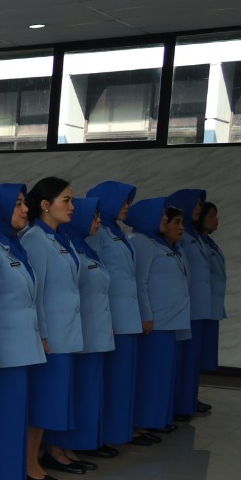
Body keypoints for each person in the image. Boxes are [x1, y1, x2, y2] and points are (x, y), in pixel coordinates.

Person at [0, 183, 49, 480]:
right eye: (18, 204)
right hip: (3, 353)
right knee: (1, 423)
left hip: (21, 349)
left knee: (13, 421)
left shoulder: (12, 244)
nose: (25, 209)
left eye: (24, 203)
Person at [19, 177, 86, 480]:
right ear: (46, 205)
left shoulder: (59, 238)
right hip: (50, 337)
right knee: (41, 403)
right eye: (66, 200)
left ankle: (36, 459)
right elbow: (35, 293)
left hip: (65, 333)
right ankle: (28, 464)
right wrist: (42, 334)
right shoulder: (35, 239)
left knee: (50, 402)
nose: (72, 206)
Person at [84, 181, 150, 448]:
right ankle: (108, 434)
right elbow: (96, 276)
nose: (127, 207)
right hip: (112, 316)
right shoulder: (97, 232)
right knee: (112, 381)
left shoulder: (116, 231)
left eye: (128, 202)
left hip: (127, 316)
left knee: (124, 381)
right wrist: (107, 317)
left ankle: (121, 430)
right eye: (122, 201)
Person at [56, 197, 117, 464]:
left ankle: (80, 443)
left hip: (91, 329)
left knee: (88, 391)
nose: (98, 222)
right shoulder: (68, 246)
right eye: (93, 216)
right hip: (77, 330)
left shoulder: (84, 247)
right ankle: (61, 446)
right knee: (75, 393)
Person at [127, 198, 190, 435]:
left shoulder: (161, 245)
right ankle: (142, 421)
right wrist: (146, 315)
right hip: (155, 321)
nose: (165, 220)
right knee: (150, 375)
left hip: (168, 321)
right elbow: (140, 282)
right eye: (164, 216)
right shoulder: (141, 242)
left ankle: (156, 419)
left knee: (161, 374)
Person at [168, 188, 210, 419]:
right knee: (183, 360)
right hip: (183, 308)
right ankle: (181, 403)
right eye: (196, 203)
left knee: (191, 359)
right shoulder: (180, 236)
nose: (199, 208)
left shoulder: (193, 234)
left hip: (195, 306)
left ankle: (188, 399)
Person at [197, 200, 226, 385]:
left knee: (203, 355)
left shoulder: (211, 244)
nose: (216, 219)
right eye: (211, 215)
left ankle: (192, 394)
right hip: (202, 307)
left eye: (216, 215)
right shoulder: (196, 242)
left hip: (212, 308)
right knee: (195, 355)